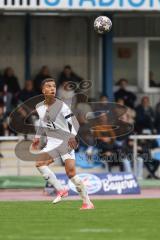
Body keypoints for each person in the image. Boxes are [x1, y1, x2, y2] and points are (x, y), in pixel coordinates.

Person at [31, 78, 94, 210]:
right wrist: (37, 138)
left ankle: (87, 202)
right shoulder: (39, 107)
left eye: (54, 86)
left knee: (71, 173)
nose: (52, 88)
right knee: (40, 164)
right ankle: (61, 190)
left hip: (65, 140)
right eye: (48, 86)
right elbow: (43, 124)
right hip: (52, 141)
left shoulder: (62, 106)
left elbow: (75, 123)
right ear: (43, 90)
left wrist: (72, 136)